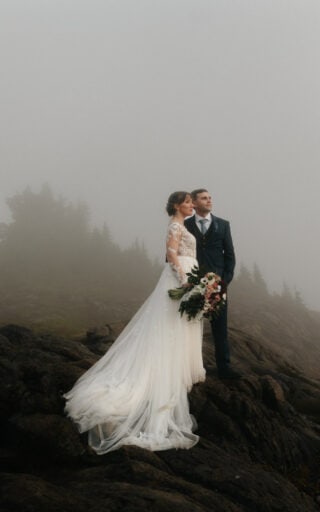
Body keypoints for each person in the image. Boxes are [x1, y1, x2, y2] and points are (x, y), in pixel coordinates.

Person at [63, 191, 205, 454]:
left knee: (177, 326)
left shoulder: (183, 225)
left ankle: (171, 372)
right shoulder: (175, 225)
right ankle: (156, 382)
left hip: (189, 275)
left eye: (190, 202)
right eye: (187, 202)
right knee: (169, 326)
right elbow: (171, 254)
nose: (191, 205)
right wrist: (185, 279)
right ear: (176, 205)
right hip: (180, 276)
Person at [185, 188, 239, 379]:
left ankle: (224, 369)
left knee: (220, 329)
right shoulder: (185, 224)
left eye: (210, 198)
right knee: (190, 327)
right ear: (194, 202)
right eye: (204, 198)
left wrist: (224, 281)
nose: (209, 201)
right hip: (192, 285)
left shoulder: (223, 225)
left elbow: (230, 256)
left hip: (217, 285)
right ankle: (190, 367)